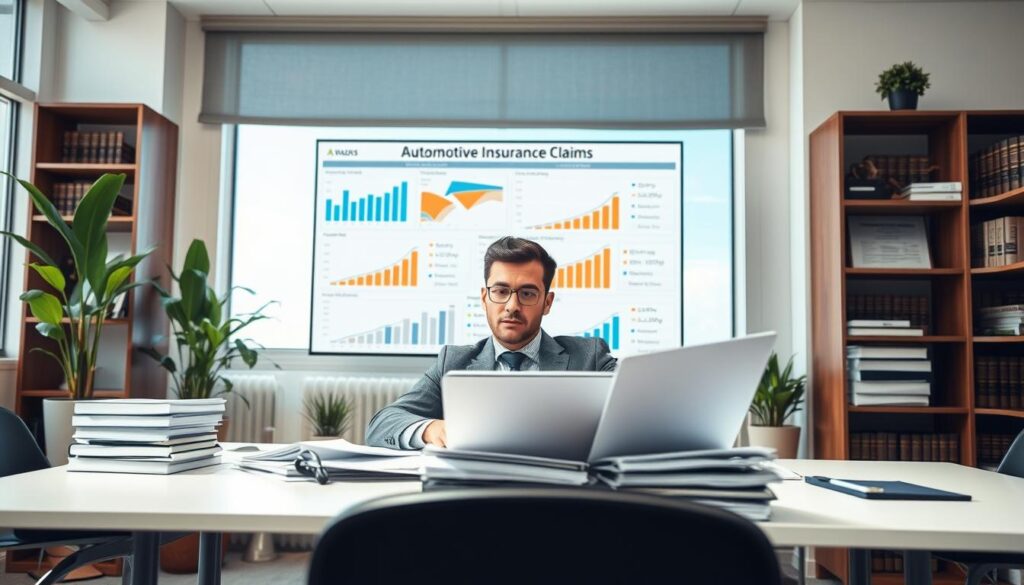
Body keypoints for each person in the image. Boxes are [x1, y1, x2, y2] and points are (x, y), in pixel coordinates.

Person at [366, 236, 617, 449]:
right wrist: (432, 429)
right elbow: (381, 425)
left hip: (559, 494)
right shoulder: (453, 363)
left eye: (527, 294)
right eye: (501, 291)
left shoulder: (589, 357)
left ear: (547, 302)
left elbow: (638, 413)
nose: (512, 306)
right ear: (485, 298)